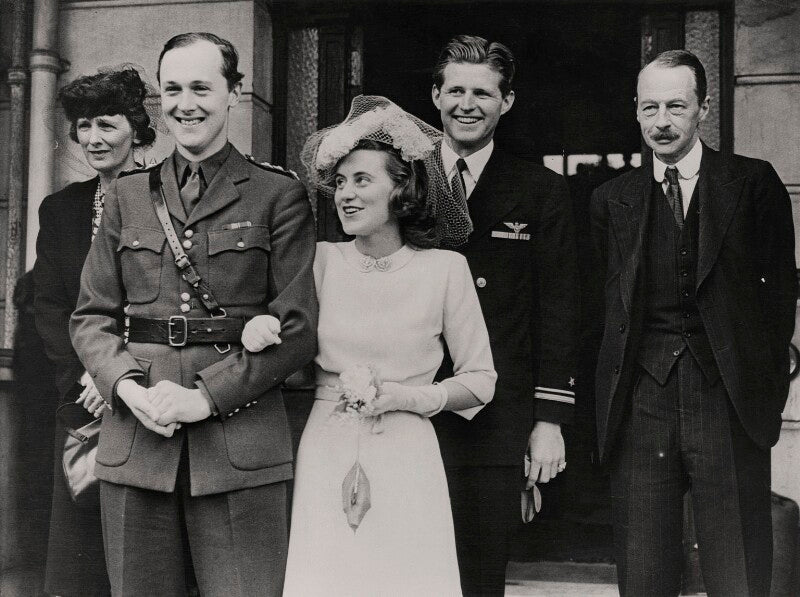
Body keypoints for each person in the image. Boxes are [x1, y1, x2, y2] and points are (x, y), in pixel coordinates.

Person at [69, 32, 317, 596]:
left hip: (240, 441)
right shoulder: (128, 195)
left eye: (202, 88)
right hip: (138, 436)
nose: (186, 104)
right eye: (173, 90)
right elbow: (92, 317)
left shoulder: (277, 194)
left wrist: (204, 398)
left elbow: (299, 330)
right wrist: (127, 389)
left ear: (233, 92)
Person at [243, 95, 497, 596]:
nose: (346, 194)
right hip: (327, 442)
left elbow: (481, 380)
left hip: (407, 449)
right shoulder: (318, 261)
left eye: (362, 180)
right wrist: (260, 329)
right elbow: (288, 352)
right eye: (340, 182)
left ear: (401, 189)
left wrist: (409, 397)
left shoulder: (446, 270)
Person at [590, 50, 797, 597]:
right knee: (644, 570)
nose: (662, 121)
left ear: (704, 108)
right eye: (650, 107)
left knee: (737, 571)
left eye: (676, 106)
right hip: (642, 401)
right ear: (636, 111)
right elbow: (600, 310)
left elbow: (780, 300)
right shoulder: (611, 199)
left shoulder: (751, 183)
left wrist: (762, 396)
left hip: (726, 399)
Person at [429, 35, 580, 596]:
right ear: (436, 95)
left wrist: (549, 420)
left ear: (507, 102)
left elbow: (560, 310)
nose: (467, 105)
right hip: (410, 406)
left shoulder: (540, 191)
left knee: (479, 575)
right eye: (456, 91)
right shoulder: (402, 180)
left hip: (495, 418)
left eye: (483, 93)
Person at [33, 67, 157, 597]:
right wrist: (87, 375)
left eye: (107, 123)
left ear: (137, 128)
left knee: (146, 551)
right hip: (82, 399)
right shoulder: (61, 210)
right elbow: (50, 305)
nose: (93, 138)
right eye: (84, 126)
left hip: (151, 390)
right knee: (80, 557)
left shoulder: (168, 197)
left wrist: (119, 375)